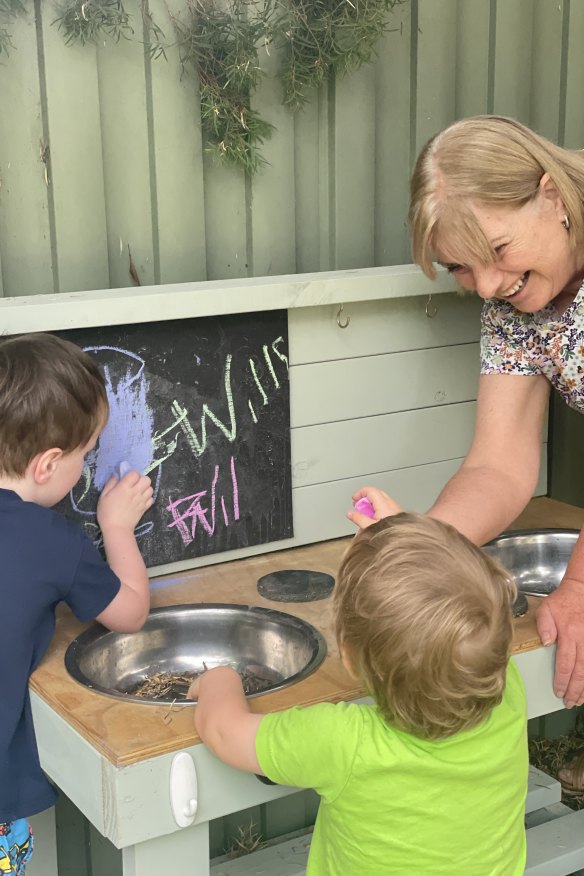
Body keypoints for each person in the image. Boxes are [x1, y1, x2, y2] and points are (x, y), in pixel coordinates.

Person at [349, 114, 584, 713]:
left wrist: (579, 585)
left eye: (496, 251)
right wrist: (422, 545)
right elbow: (499, 464)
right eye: (459, 267)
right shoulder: (513, 296)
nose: (484, 287)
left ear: (550, 195)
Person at [189, 513, 528, 876]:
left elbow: (225, 732)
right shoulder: (508, 692)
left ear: (348, 657)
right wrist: (406, 541)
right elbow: (451, 625)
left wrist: (219, 681)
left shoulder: (344, 742)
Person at [0, 332, 153, 875]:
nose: (89, 466)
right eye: (87, 455)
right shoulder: (50, 540)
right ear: (47, 465)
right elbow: (130, 612)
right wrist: (116, 527)